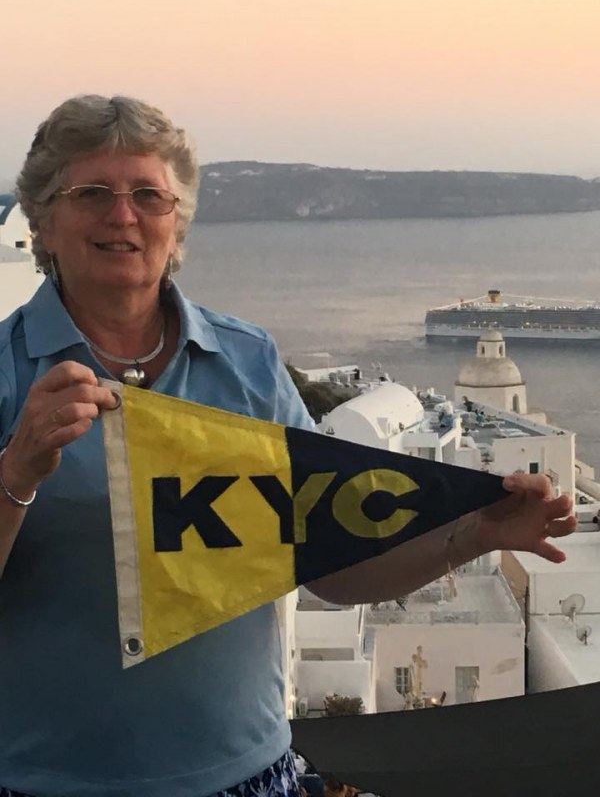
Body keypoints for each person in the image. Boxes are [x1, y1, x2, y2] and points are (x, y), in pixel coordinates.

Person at [0, 95, 576, 797]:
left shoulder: (246, 362)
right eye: (93, 192)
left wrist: (475, 533)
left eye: (148, 195)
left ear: (176, 225)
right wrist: (16, 472)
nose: (123, 215)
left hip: (250, 775)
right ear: (43, 221)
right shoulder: (7, 371)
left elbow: (326, 569)